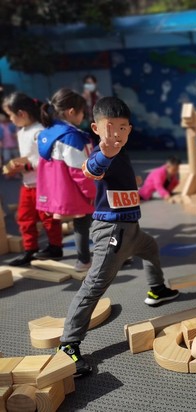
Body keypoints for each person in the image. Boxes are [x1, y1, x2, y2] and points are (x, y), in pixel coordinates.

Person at [58, 96, 179, 377]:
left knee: (151, 247)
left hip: (131, 230)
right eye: (109, 127)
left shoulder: (121, 153)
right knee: (95, 285)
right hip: (111, 232)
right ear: (96, 128)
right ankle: (68, 345)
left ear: (130, 129)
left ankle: (157, 289)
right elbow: (91, 169)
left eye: (122, 128)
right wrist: (104, 155)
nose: (116, 134)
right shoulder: (105, 152)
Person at [37, 88, 96, 272]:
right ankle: (94, 259)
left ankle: (83, 261)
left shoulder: (47, 132)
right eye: (83, 112)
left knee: (81, 224)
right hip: (78, 191)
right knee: (92, 223)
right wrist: (92, 192)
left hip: (59, 192)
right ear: (71, 112)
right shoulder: (72, 137)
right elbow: (80, 171)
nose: (84, 116)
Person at [2, 93, 63, 266]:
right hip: (27, 184)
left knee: (48, 218)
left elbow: (47, 160)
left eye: (10, 115)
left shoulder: (39, 131)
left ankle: (55, 247)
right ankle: (30, 249)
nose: (10, 119)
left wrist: (26, 166)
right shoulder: (22, 131)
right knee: (24, 217)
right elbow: (28, 157)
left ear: (21, 113)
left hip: (43, 185)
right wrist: (17, 167)